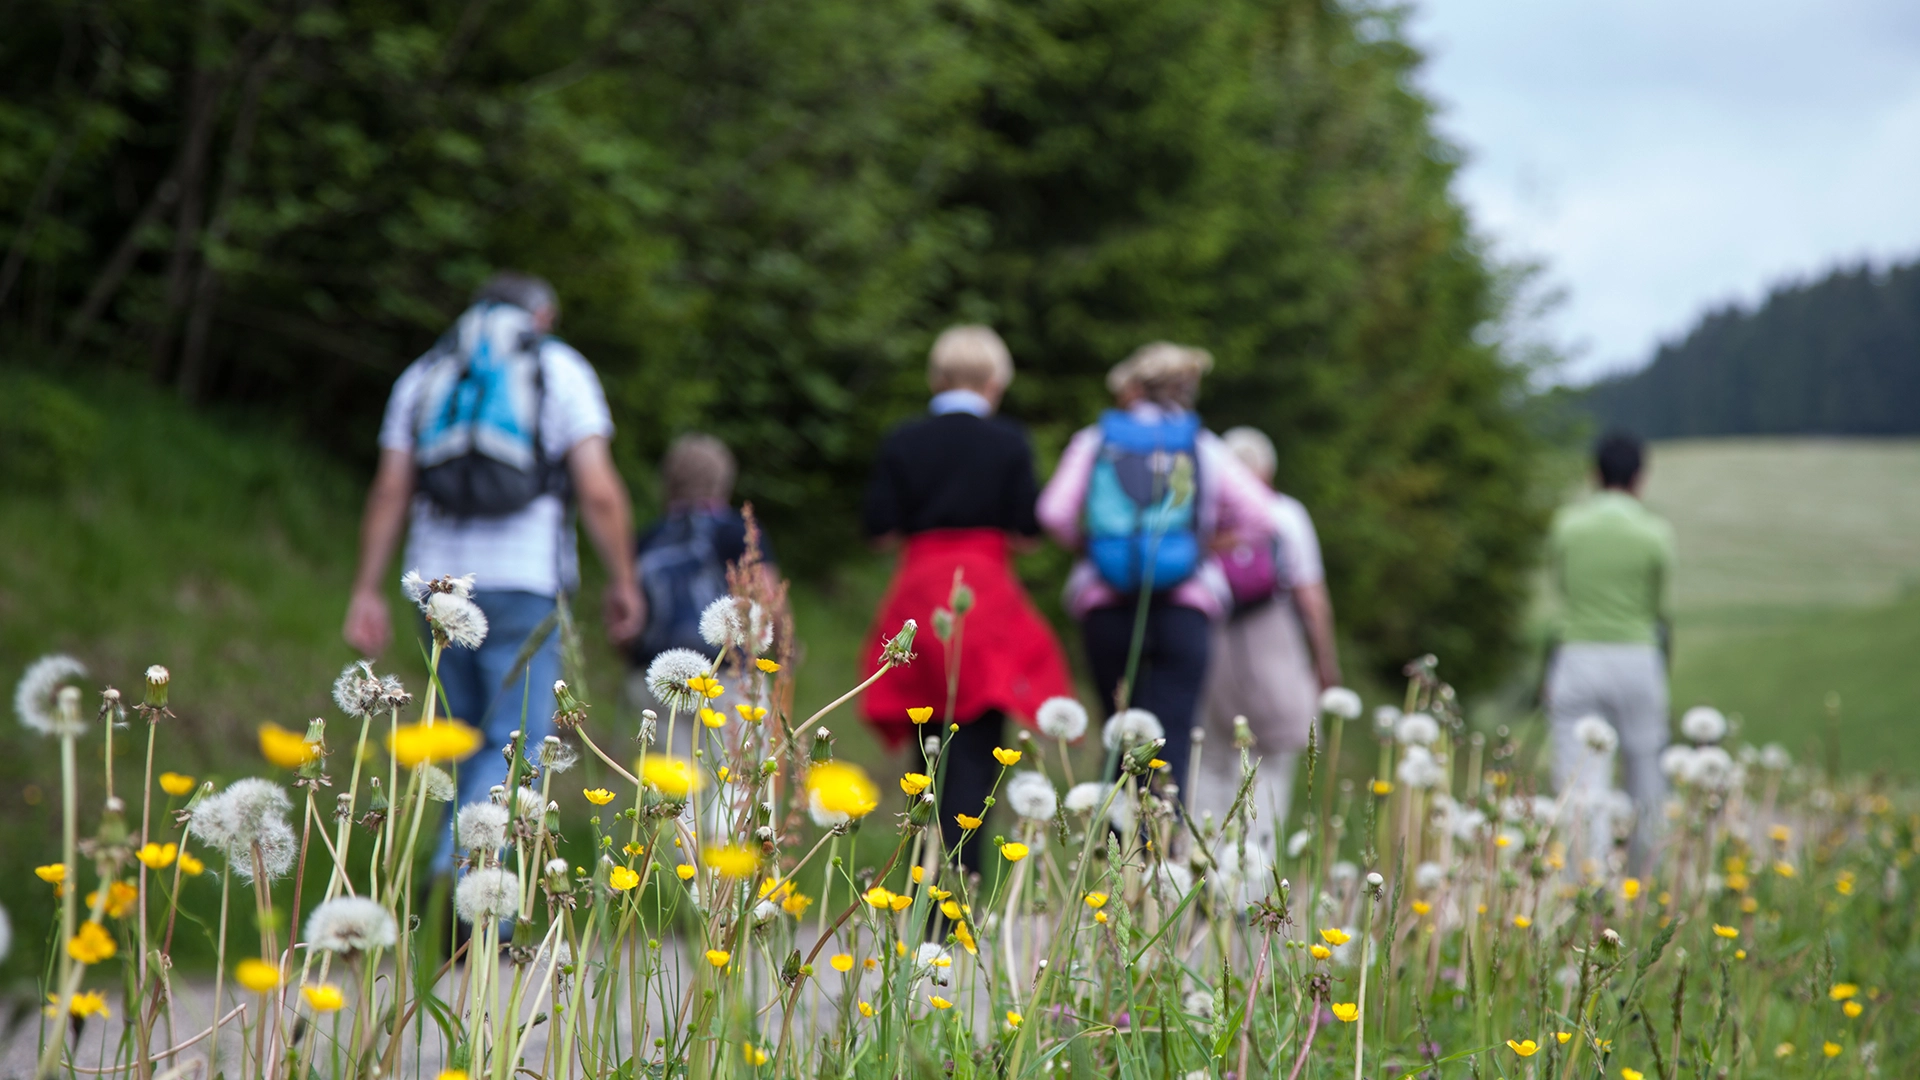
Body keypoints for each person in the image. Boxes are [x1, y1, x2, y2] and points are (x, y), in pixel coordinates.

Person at [343, 271, 643, 876]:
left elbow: (391, 488)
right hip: (523, 582)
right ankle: (465, 883)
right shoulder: (560, 369)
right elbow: (598, 491)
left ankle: (447, 892)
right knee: (516, 744)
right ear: (542, 316)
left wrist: (366, 589)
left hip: (433, 585)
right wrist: (624, 580)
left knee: (458, 739)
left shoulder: (424, 373)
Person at [859, 325, 1075, 875]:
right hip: (984, 596)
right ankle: (963, 884)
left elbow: (879, 531)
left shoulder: (904, 439)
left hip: (919, 593)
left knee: (925, 742)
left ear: (936, 378)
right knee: (978, 744)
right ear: (995, 382)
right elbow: (1028, 535)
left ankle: (919, 883)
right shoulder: (1009, 441)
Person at [1035, 342, 1271, 799]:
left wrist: (1090, 545)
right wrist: (1205, 543)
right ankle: (1162, 836)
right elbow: (1260, 516)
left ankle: (1114, 836)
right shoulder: (1203, 445)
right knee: (1172, 736)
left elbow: (1053, 512)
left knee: (1118, 732)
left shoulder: (1095, 440)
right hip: (1185, 607)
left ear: (1132, 388)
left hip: (1105, 603)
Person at [1190, 426, 1341, 852]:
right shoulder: (1284, 513)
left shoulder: (1203, 515)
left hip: (1210, 639)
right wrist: (1325, 662)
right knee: (1272, 758)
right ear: (1268, 470)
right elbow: (1312, 597)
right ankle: (1256, 867)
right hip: (1274, 644)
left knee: (1210, 759)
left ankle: (1206, 863)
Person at [1544, 430, 1675, 874]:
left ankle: (1585, 880)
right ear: (1640, 477)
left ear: (1594, 474)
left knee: (1581, 782)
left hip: (1578, 656)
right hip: (1638, 657)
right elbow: (1656, 602)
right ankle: (1647, 879)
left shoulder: (1567, 526)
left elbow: (1563, 585)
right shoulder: (1655, 532)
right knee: (1646, 777)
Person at [627, 433, 778, 730]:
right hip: (728, 678)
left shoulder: (648, 539)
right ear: (723, 480)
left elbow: (625, 620)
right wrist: (785, 646)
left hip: (657, 682)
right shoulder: (738, 532)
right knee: (737, 760)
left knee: (665, 760)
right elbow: (767, 598)